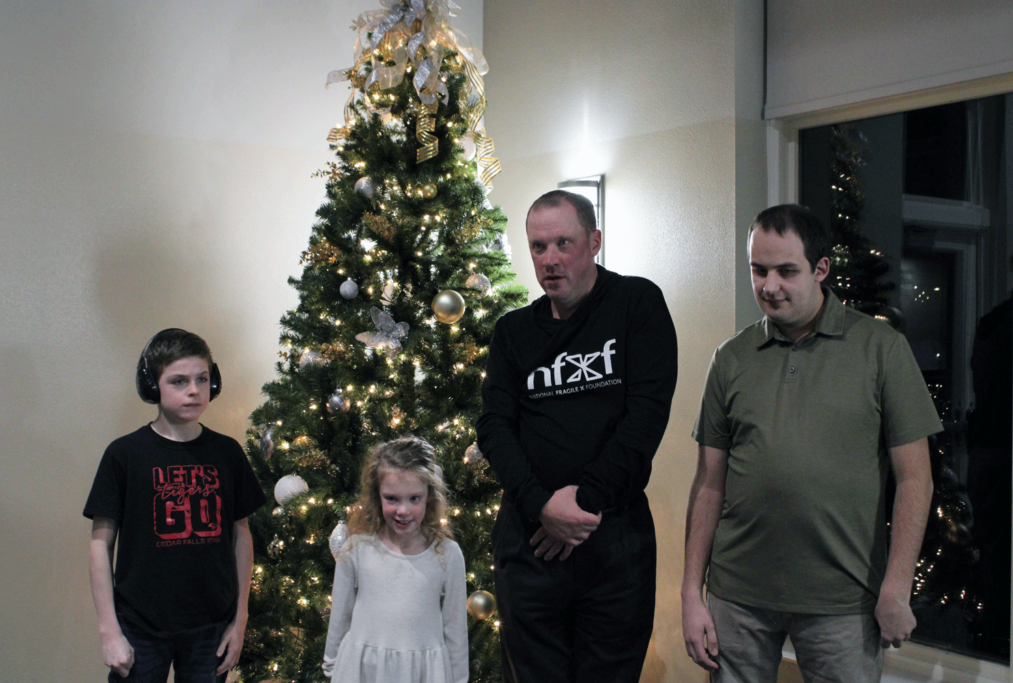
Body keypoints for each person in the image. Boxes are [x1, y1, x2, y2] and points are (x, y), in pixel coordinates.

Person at [682, 204, 941, 682]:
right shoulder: (731, 358)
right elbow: (708, 486)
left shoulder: (880, 349)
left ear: (821, 269)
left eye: (786, 271)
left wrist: (897, 586)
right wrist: (691, 595)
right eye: (758, 270)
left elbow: (915, 480)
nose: (769, 286)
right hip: (737, 596)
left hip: (843, 601)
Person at [476, 190, 678, 682]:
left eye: (563, 243)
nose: (550, 260)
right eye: (538, 247)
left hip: (614, 542)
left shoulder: (636, 303)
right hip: (530, 543)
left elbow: (644, 419)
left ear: (594, 242)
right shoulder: (513, 332)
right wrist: (542, 506)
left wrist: (581, 505)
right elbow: (494, 426)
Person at [84, 328, 266, 682]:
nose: (194, 390)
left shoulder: (227, 453)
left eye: (202, 379)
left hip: (211, 630)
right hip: (140, 628)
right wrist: (109, 631)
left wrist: (240, 619)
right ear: (153, 386)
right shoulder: (124, 455)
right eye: (179, 381)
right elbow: (99, 544)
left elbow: (240, 535)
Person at [322, 436, 468, 683]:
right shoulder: (356, 549)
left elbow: (455, 630)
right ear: (376, 496)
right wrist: (332, 667)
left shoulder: (448, 554)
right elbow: (340, 616)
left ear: (429, 497)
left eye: (414, 498)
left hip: (423, 673)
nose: (403, 511)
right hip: (360, 671)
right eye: (392, 498)